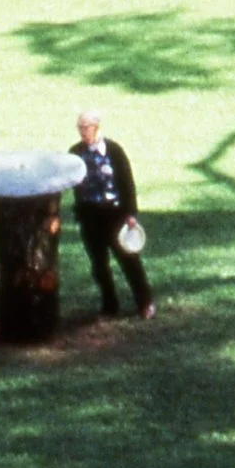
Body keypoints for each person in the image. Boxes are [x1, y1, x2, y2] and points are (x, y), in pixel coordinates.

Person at [69, 111, 153, 320]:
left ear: (96, 127)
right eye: (80, 128)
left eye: (86, 127)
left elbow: (126, 182)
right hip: (90, 215)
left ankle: (145, 302)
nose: (83, 132)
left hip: (114, 214)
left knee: (129, 260)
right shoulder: (75, 152)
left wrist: (130, 213)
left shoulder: (114, 151)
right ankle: (109, 304)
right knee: (99, 264)